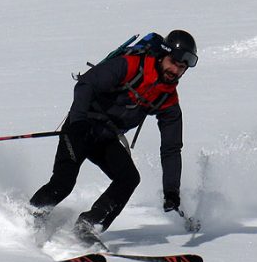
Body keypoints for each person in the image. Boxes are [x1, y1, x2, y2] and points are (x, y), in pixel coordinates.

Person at [29, 30, 198, 245]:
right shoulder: (130, 66)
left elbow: (171, 148)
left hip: (106, 138)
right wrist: (79, 123)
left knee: (128, 178)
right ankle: (30, 218)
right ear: (162, 55)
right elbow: (85, 84)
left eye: (181, 67)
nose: (175, 70)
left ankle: (88, 225)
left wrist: (171, 191)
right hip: (81, 128)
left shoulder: (168, 99)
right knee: (63, 183)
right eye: (173, 63)